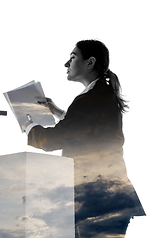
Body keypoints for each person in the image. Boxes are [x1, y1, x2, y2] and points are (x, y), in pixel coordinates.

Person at [23, 40, 145, 238]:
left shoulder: (90, 99)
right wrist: (57, 112)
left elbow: (54, 139)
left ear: (90, 63)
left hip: (97, 197)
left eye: (72, 57)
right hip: (108, 195)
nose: (66, 64)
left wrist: (28, 126)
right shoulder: (101, 94)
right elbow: (87, 129)